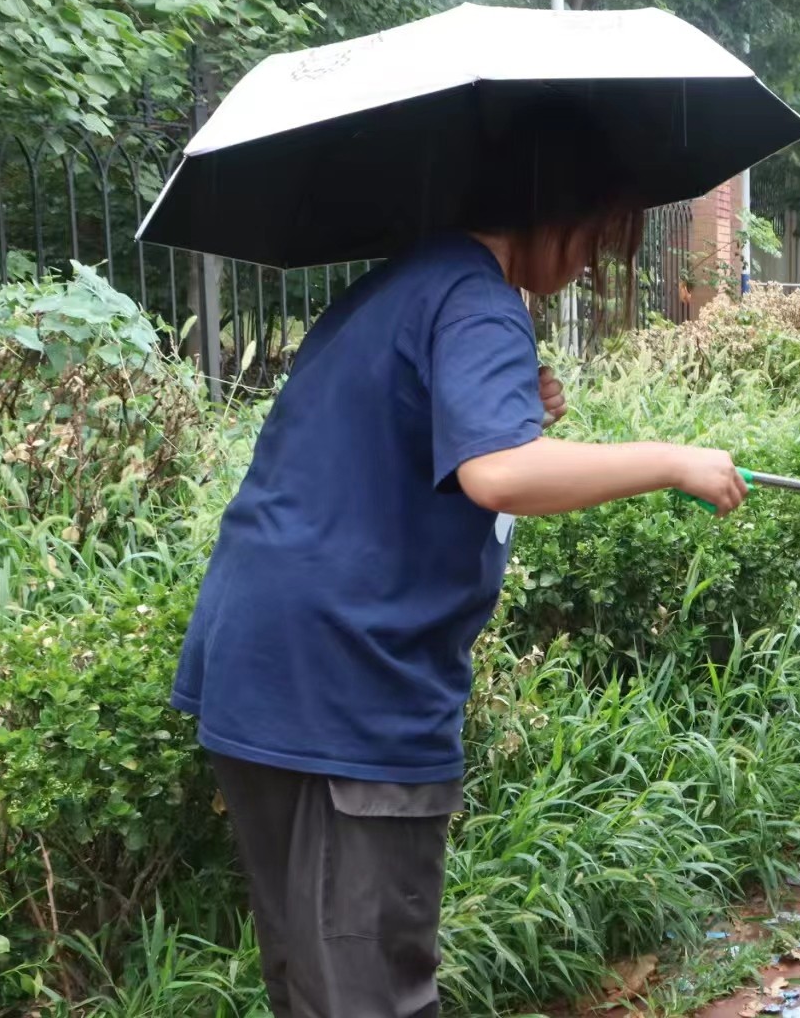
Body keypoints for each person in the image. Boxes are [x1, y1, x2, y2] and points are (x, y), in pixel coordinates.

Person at [171, 111, 750, 1017]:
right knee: (370, 994)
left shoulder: (403, 283)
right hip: (351, 683)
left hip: (261, 665)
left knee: (312, 984)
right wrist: (672, 461)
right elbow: (500, 475)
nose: (592, 263)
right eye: (597, 236)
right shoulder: (477, 298)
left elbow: (401, 437)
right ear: (552, 210)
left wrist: (508, 407)